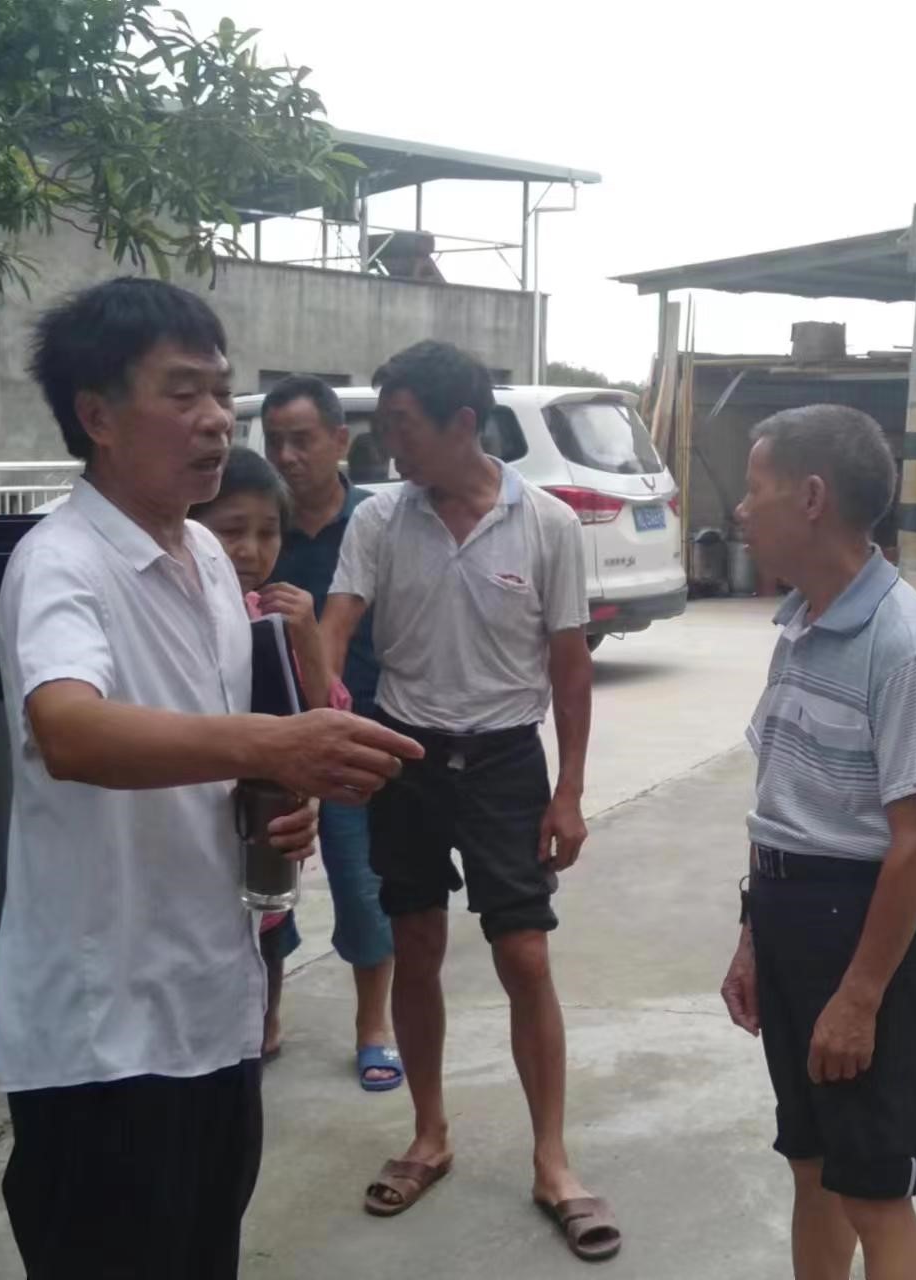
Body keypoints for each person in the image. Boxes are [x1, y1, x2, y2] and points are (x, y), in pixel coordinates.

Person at [0, 277, 422, 1280]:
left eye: (221, 393)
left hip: (214, 1004)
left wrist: (280, 799)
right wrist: (266, 748)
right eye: (181, 393)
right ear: (98, 416)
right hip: (105, 1031)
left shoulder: (204, 555)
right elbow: (68, 730)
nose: (215, 420)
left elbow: (216, 746)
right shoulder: (60, 563)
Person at [318, 339, 620, 1262]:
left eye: (402, 425)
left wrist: (569, 792)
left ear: (461, 423)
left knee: (524, 954)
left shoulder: (546, 523)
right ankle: (429, 1135)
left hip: (503, 764)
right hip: (405, 757)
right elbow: (337, 625)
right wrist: (324, 709)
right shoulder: (380, 518)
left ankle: (553, 1161)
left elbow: (569, 668)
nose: (388, 444)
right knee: (415, 945)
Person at [717, 405, 916, 1280]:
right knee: (813, 1166)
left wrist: (859, 997)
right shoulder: (801, 624)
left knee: (872, 1187)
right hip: (790, 917)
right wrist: (754, 935)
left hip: (862, 929)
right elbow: (780, 799)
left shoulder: (905, 645)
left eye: (756, 488)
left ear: (812, 497)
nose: (742, 509)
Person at [189, 445, 357, 1063]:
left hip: (265, 824)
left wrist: (307, 636)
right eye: (231, 530)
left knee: (266, 929)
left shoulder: (273, 617)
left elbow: (330, 717)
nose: (250, 551)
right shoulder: (178, 615)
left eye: (268, 533)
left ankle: (261, 1033)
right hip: (191, 828)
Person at [261, 375, 404, 1092]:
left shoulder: (376, 523)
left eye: (302, 440)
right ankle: (265, 1014)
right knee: (264, 882)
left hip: (360, 729)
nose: (288, 456)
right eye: (275, 442)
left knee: (360, 880)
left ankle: (373, 1026)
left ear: (340, 440)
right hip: (266, 736)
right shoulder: (260, 526)